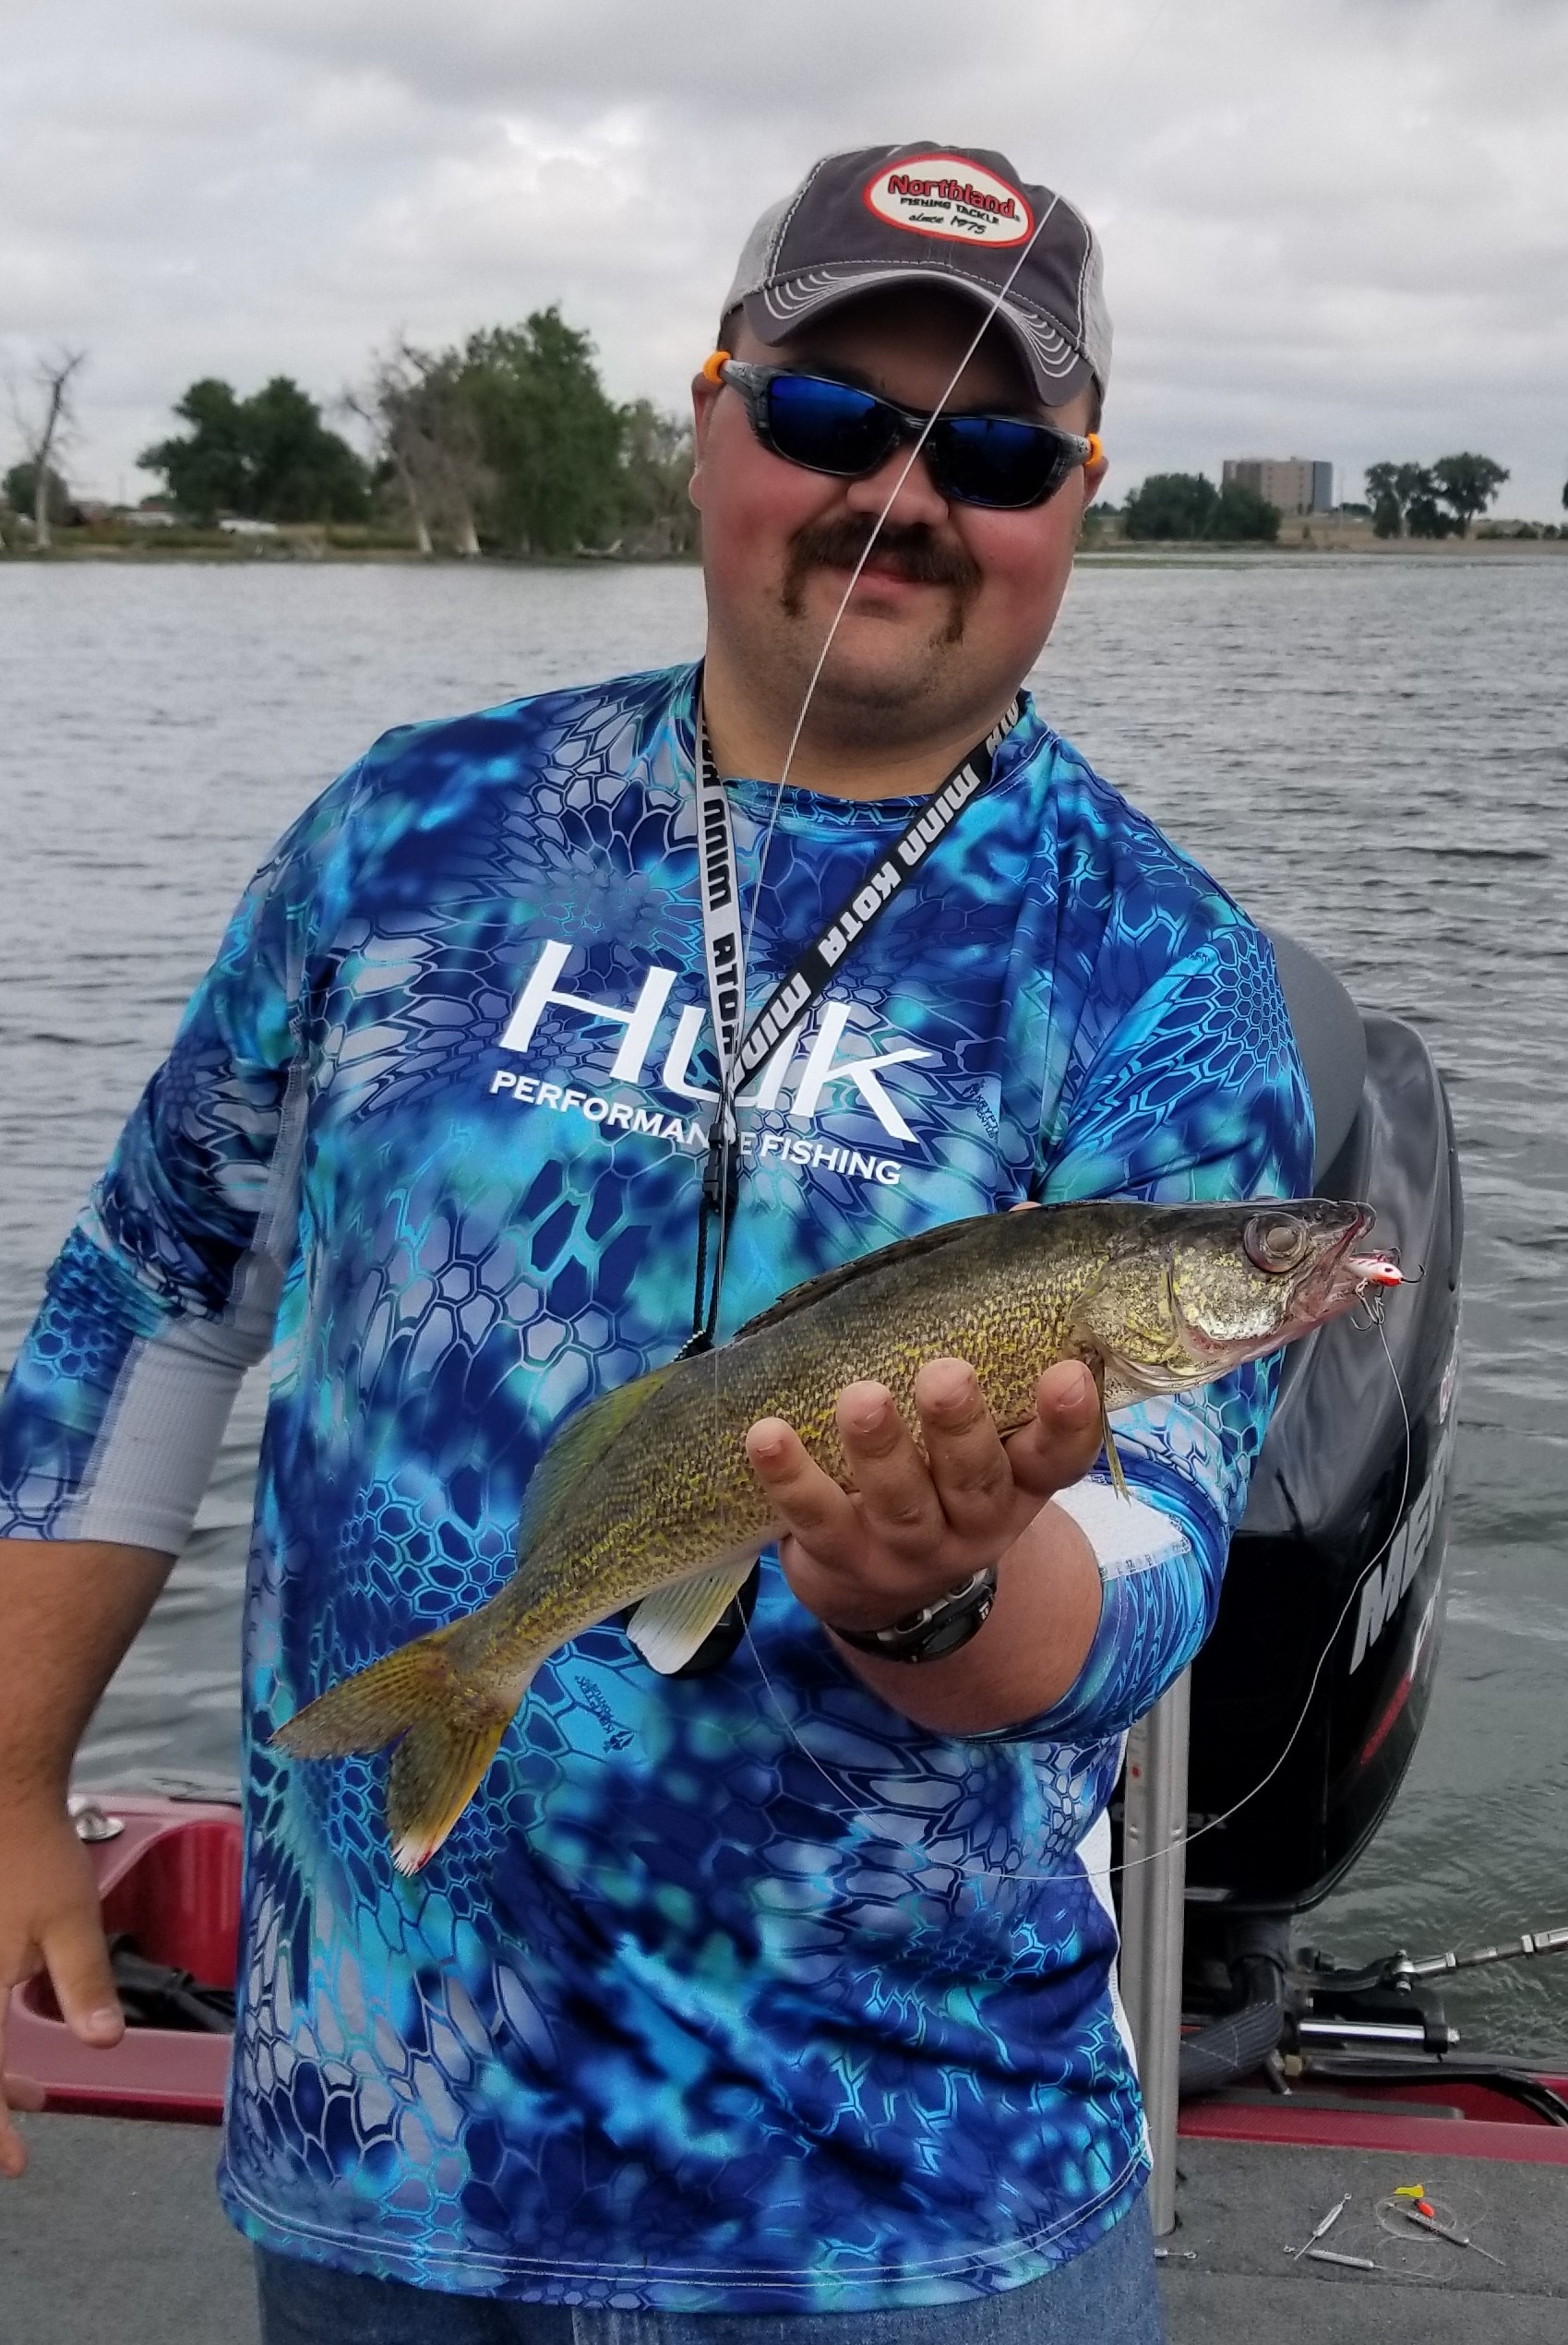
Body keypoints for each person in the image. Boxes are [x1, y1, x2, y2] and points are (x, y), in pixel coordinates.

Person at [0, 142, 1311, 2342]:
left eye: (990, 450)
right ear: (710, 420)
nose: (900, 494)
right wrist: (13, 1774)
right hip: (378, 2147)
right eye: (829, 417)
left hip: (914, 2199)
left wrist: (950, 1586)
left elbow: (1159, 1563)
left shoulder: (1165, 972)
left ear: (1076, 497)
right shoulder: (408, 825)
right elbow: (148, 1292)